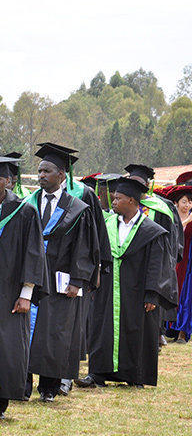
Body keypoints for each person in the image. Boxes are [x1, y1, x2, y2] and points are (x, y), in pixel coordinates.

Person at [76, 177, 177, 388]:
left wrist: (152, 294)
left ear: (131, 201)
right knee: (101, 327)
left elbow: (157, 265)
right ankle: (97, 373)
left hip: (138, 291)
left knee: (135, 330)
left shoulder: (152, 231)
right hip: (107, 288)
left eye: (118, 198)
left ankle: (135, 375)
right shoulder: (107, 223)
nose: (113, 200)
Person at [0, 157, 47, 420]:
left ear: (9, 182)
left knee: (6, 346)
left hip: (8, 290)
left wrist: (26, 294)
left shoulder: (23, 211)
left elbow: (33, 254)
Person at [27, 144, 99, 402]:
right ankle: (23, 385)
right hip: (31, 275)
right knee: (26, 330)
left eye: (47, 171)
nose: (41, 176)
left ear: (61, 175)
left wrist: (77, 281)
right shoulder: (28, 203)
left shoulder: (76, 208)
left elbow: (84, 248)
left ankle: (48, 387)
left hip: (61, 279)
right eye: (39, 171)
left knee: (54, 333)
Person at [125, 163, 183, 347]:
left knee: (153, 295)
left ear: (148, 185)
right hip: (130, 262)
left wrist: (170, 259)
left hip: (155, 260)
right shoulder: (123, 205)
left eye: (140, 183)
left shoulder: (162, 207)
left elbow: (174, 238)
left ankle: (157, 333)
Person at [154, 172, 192, 343]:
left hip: (187, 262)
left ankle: (183, 331)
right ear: (176, 202)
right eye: (184, 201)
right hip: (172, 260)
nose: (188, 205)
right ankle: (167, 329)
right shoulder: (169, 217)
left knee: (185, 295)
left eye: (190, 202)